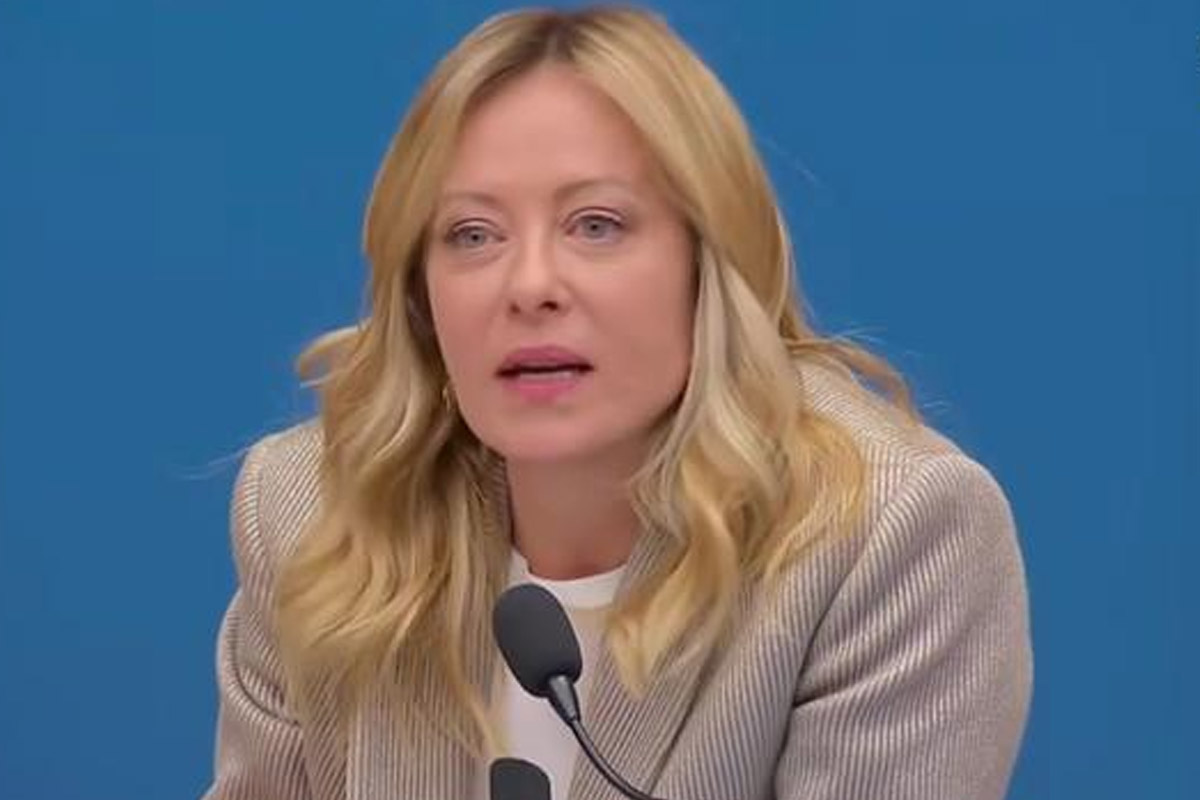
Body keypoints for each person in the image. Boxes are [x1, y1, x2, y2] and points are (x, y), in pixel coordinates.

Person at [202, 5, 1033, 799]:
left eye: (595, 225)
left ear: (708, 265)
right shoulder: (318, 515)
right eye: (473, 235)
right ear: (421, 298)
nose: (530, 285)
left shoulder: (887, 536)